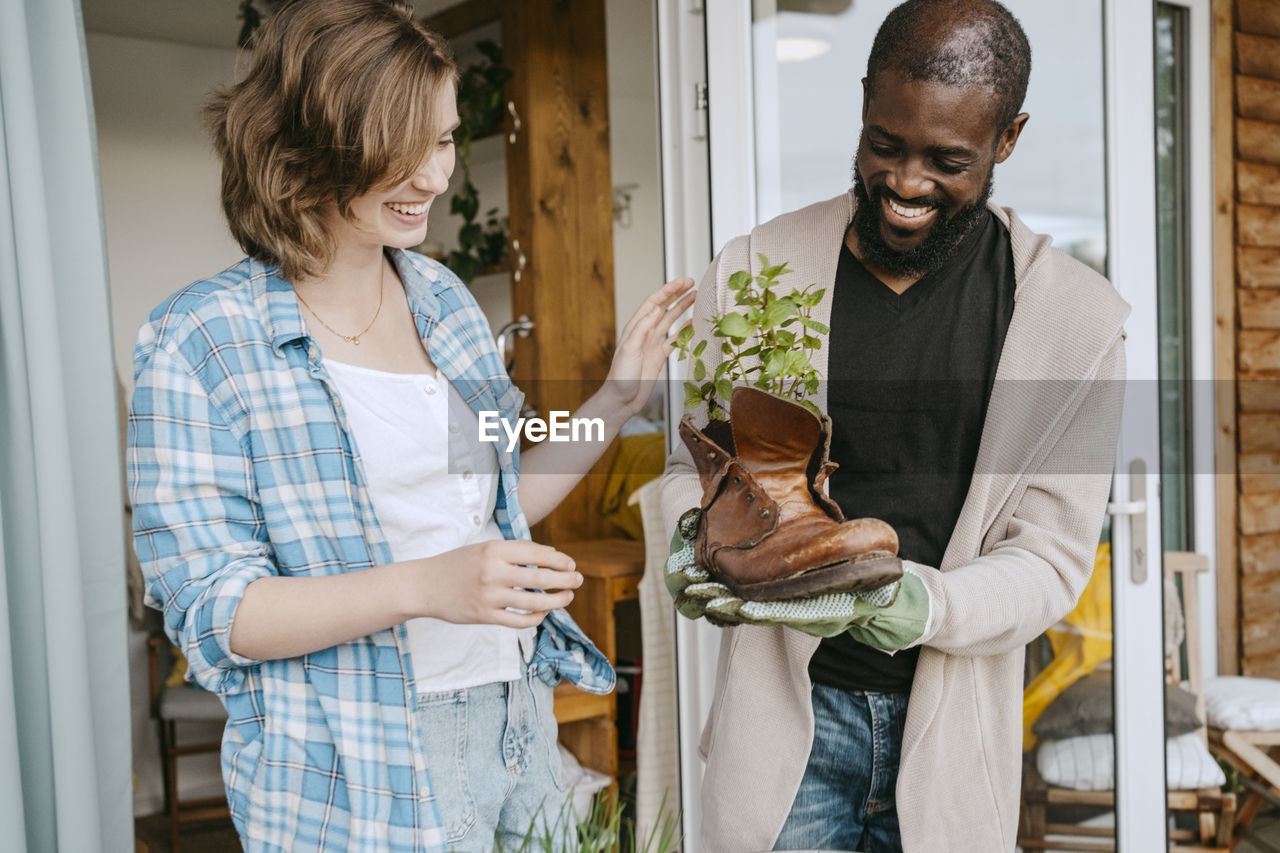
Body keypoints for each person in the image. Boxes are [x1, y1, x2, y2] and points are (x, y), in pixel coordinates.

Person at [127, 2, 694, 850]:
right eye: (403, 148)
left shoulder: (444, 303)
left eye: (442, 140)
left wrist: (615, 399)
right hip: (358, 765)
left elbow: (501, 504)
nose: (435, 176)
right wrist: (429, 585)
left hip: (513, 718)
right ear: (309, 145)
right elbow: (217, 611)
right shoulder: (200, 339)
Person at [659, 1, 1128, 851]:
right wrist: (692, 536)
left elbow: (1053, 556)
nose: (907, 182)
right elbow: (684, 464)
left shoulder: (1075, 322)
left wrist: (926, 603)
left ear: (1008, 139)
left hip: (952, 739)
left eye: (948, 159)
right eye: (885, 144)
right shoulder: (757, 271)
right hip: (786, 738)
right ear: (866, 100)